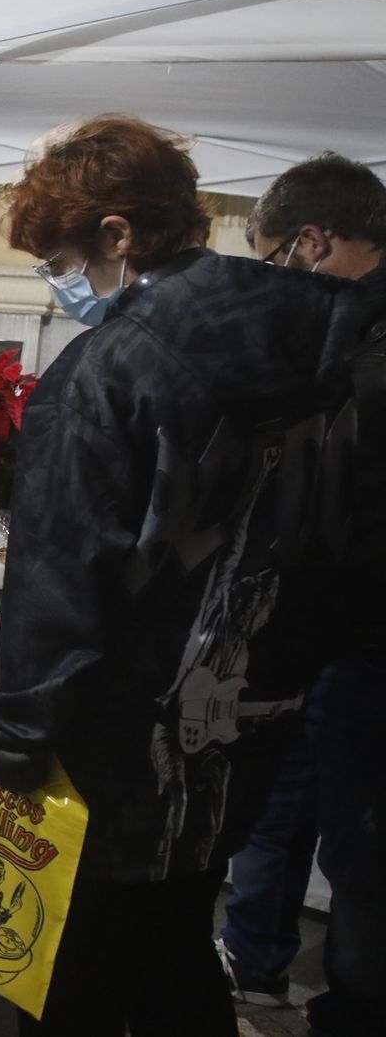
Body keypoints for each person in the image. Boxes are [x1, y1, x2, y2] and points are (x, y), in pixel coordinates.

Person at [0, 115, 368, 1036]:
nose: (60, 284)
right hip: (245, 736)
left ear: (117, 236)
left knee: (77, 984)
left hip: (119, 760)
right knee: (177, 948)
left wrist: (15, 740)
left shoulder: (105, 375)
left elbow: (59, 595)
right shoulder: (321, 334)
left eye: (62, 258)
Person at [236, 152, 386, 1037]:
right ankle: (255, 970)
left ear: (311, 243)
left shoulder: (362, 356)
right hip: (321, 635)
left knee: (362, 861)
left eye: (270, 261)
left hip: (364, 642)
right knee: (280, 812)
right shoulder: (355, 335)